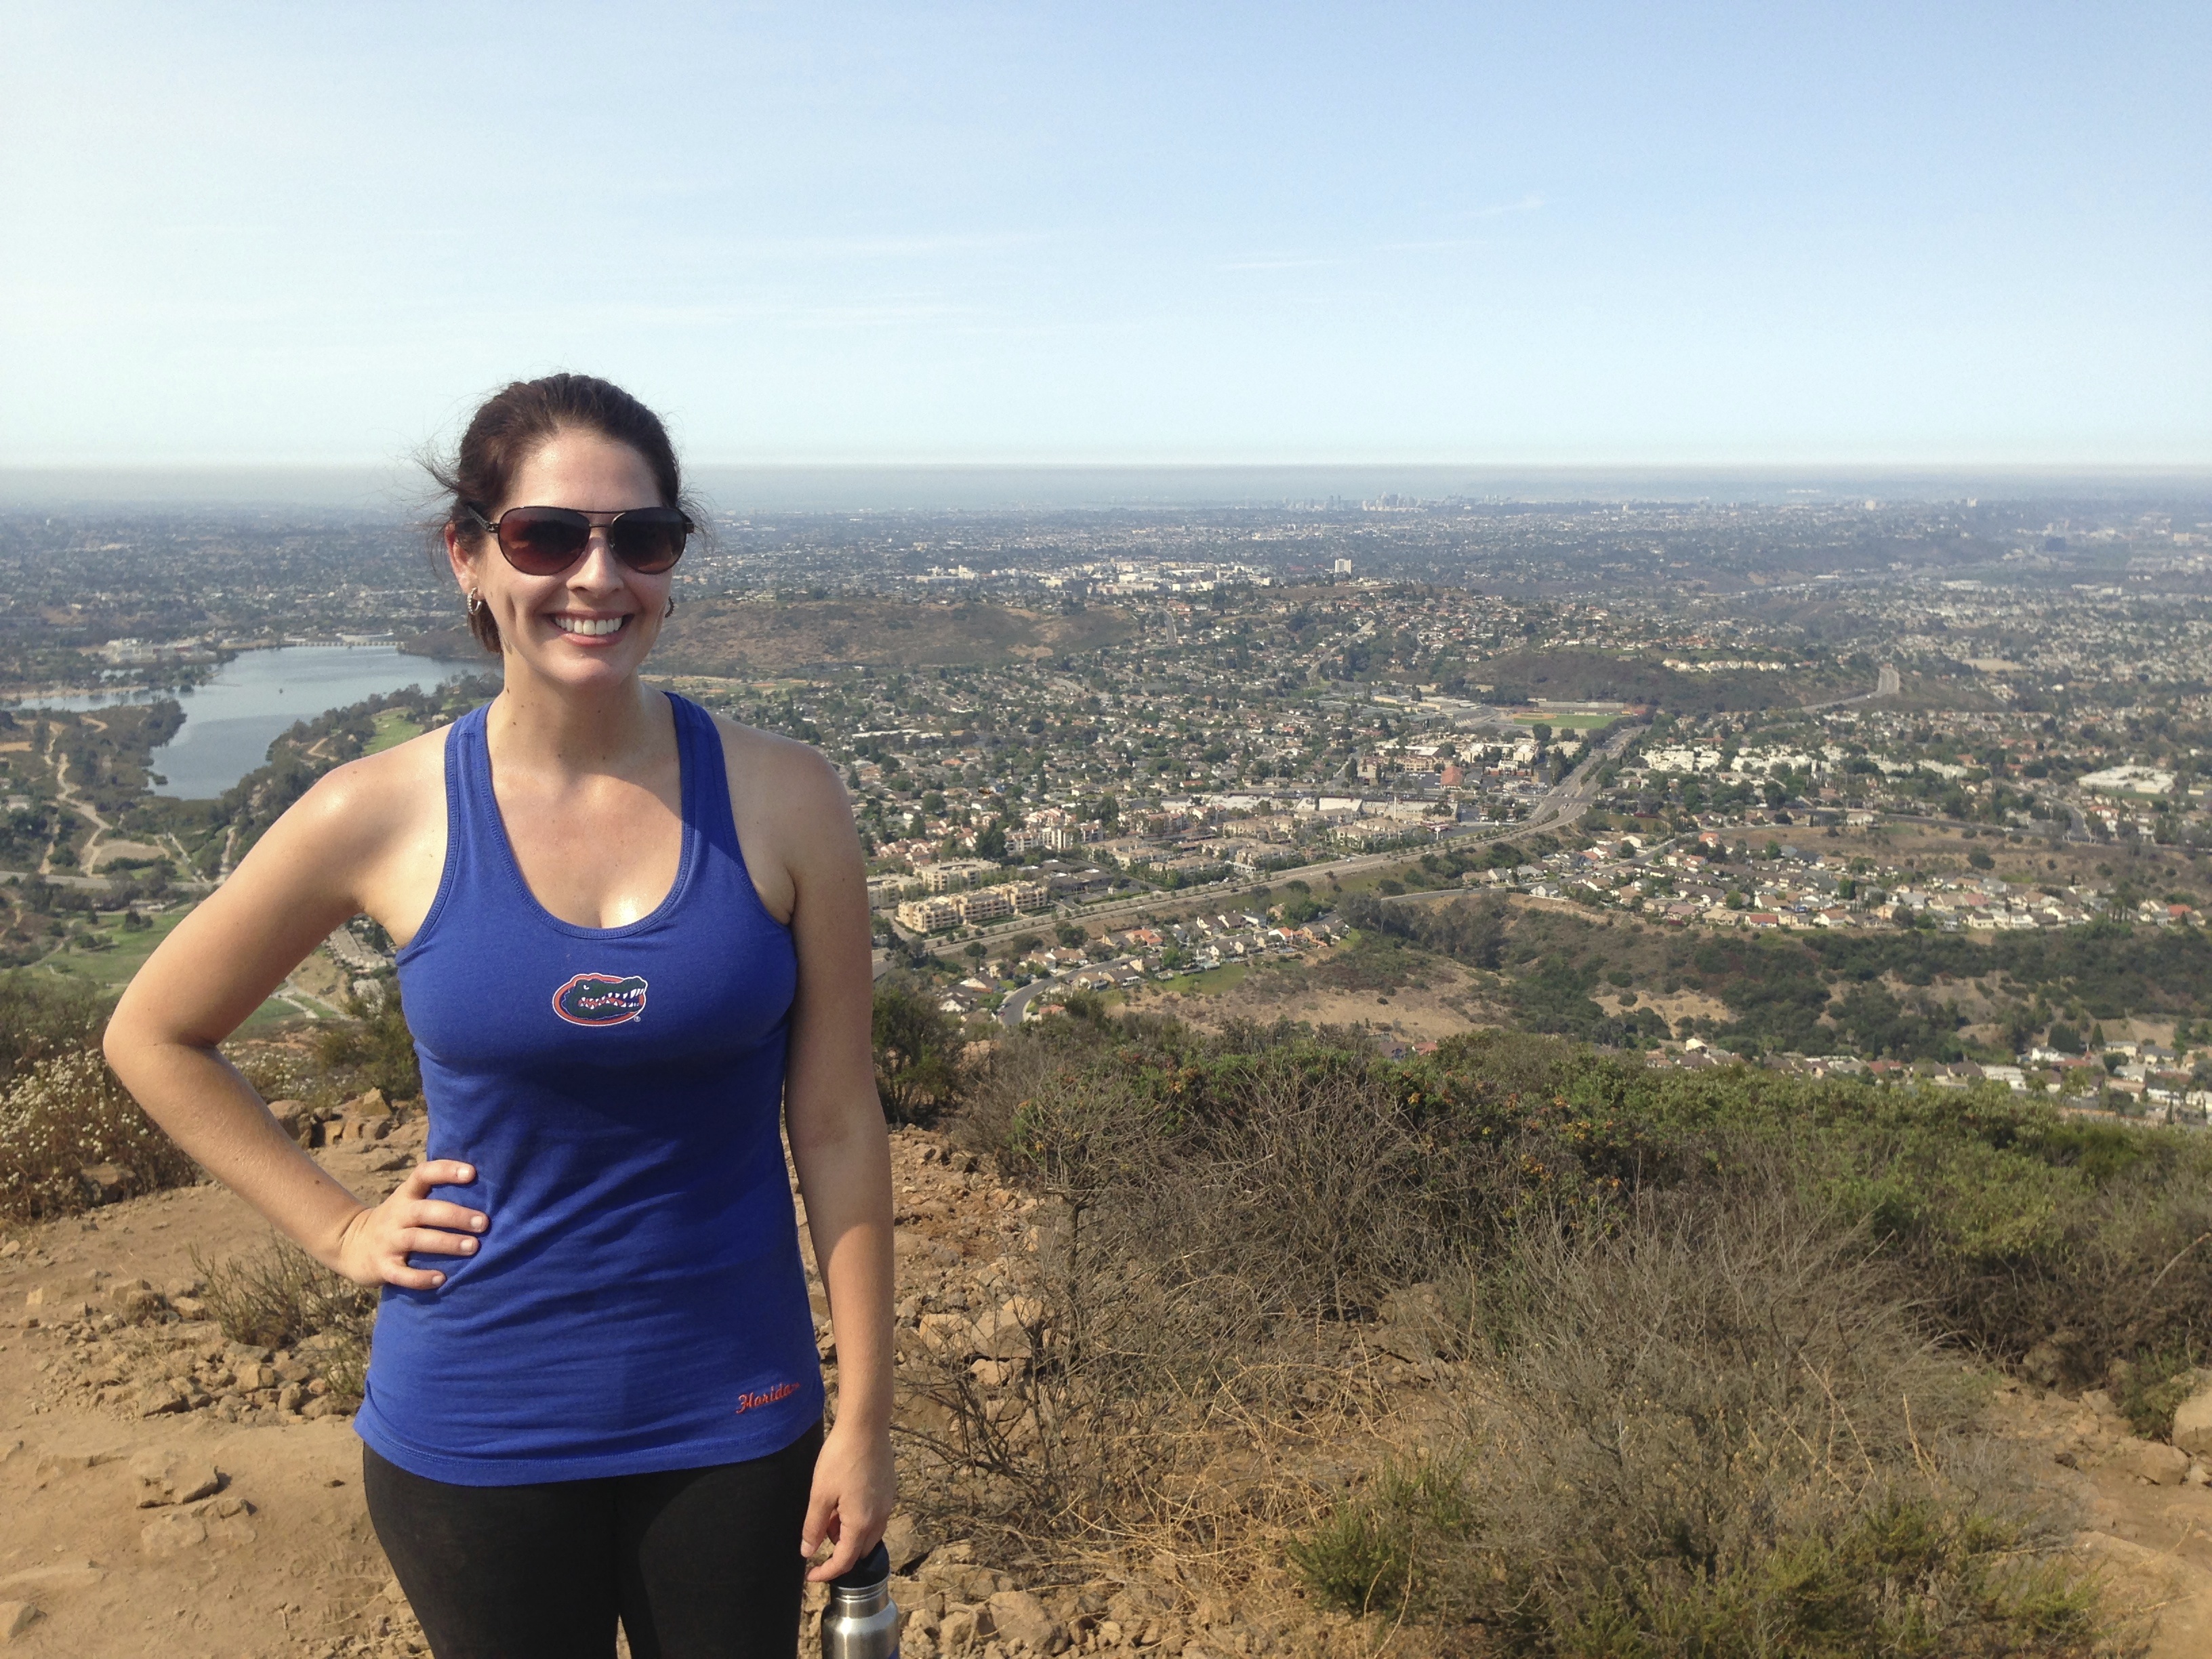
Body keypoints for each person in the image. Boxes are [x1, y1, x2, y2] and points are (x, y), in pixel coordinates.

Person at [104, 373, 896, 1659]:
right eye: (547, 536)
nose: (599, 576)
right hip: (477, 1420)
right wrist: (342, 1226)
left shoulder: (788, 799)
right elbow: (153, 1032)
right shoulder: (378, 813)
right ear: (468, 555)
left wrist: (864, 1414)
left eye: (642, 540)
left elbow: (839, 1116)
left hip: (734, 1410)